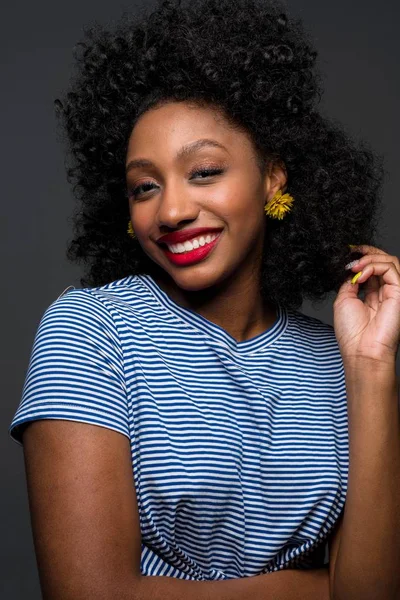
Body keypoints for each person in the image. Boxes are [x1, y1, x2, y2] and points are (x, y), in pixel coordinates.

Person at [9, 0, 399, 598]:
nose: (170, 211)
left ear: (273, 177)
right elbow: (90, 594)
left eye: (204, 171)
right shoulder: (92, 329)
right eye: (145, 186)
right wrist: (324, 588)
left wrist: (372, 370)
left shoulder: (336, 361)